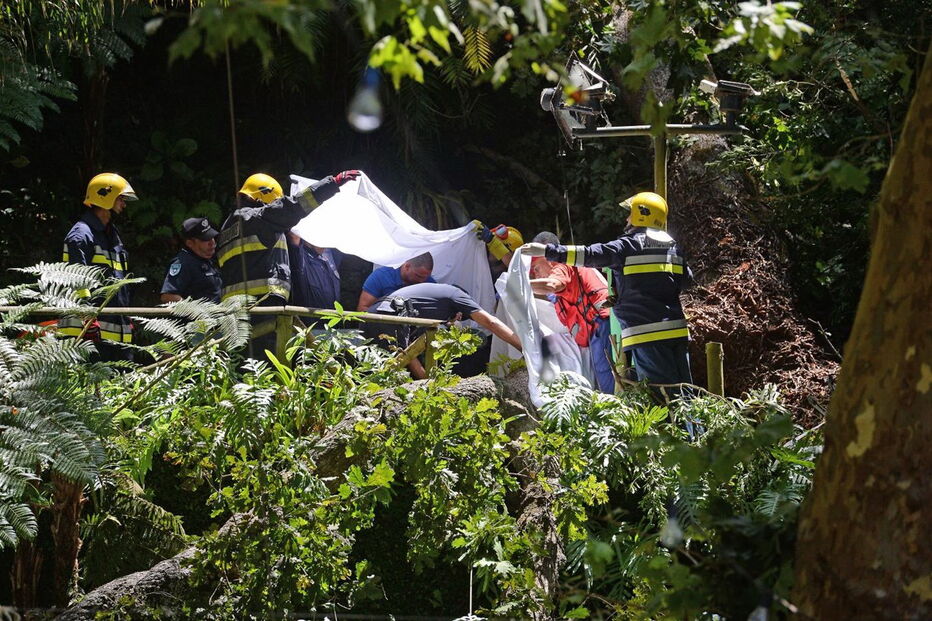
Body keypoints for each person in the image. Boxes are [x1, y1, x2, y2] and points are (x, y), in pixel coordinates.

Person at [522, 192, 693, 397]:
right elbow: (686, 282)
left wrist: (549, 251)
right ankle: (694, 430)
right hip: (677, 332)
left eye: (630, 214)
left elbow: (590, 254)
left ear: (641, 215)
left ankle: (670, 430)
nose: (626, 219)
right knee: (685, 395)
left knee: (662, 397)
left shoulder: (628, 245)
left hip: (647, 333)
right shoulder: (672, 247)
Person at [217, 170, 359, 358]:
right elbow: (295, 205)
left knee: (241, 365)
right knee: (268, 366)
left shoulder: (226, 229)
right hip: (263, 307)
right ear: (263, 198)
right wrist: (332, 183)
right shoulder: (259, 219)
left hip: (233, 313)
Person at [363, 282, 522, 379]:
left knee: (377, 370)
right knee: (386, 374)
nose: (454, 320)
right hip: (390, 316)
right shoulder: (457, 295)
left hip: (373, 314)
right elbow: (491, 322)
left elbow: (408, 352)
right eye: (459, 317)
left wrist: (425, 380)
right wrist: (524, 348)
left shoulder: (427, 306)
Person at [60, 172, 137, 361]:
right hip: (88, 331)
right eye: (121, 199)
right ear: (106, 197)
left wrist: (125, 317)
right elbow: (75, 280)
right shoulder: (81, 235)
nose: (124, 204)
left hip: (116, 329)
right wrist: (86, 316)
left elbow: (120, 280)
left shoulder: (111, 234)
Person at [528, 231, 614, 394]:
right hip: (599, 327)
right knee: (606, 377)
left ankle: (618, 414)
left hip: (601, 326)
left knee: (607, 378)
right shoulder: (567, 267)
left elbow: (553, 285)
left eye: (536, 268)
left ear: (547, 258)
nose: (536, 274)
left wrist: (522, 286)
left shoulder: (560, 264)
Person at [286, 232, 343, 326]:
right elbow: (294, 236)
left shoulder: (328, 260)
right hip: (308, 329)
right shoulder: (301, 257)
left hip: (331, 328)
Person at [160, 217, 222, 303]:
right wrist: (194, 311)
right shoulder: (182, 263)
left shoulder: (207, 260)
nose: (212, 243)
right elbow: (168, 296)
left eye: (212, 237)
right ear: (190, 243)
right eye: (205, 239)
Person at [355, 252, 435, 311]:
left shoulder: (429, 283)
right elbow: (363, 309)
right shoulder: (381, 277)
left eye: (426, 277)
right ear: (407, 266)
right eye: (418, 276)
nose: (422, 281)